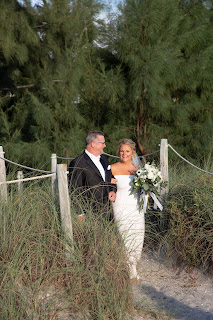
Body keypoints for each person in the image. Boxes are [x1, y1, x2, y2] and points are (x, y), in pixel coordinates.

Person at [111, 138, 145, 282]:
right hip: (120, 205)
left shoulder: (139, 170)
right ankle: (129, 269)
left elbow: (144, 188)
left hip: (136, 206)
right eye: (121, 151)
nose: (124, 153)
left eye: (127, 151)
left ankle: (133, 264)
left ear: (132, 152)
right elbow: (109, 187)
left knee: (137, 234)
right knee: (124, 234)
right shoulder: (112, 168)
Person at [68, 131, 116, 217]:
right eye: (103, 143)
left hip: (108, 212)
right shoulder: (78, 163)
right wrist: (79, 215)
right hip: (90, 214)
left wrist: (112, 190)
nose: (104, 146)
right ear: (93, 144)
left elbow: (111, 178)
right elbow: (75, 190)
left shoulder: (104, 160)